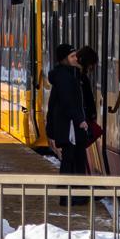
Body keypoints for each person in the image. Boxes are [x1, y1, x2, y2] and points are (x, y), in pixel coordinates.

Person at [44, 42, 96, 177]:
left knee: (73, 161)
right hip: (70, 127)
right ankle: (71, 195)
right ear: (64, 59)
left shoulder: (70, 75)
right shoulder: (65, 77)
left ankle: (72, 194)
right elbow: (68, 102)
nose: (76, 58)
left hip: (71, 127)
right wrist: (80, 120)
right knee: (72, 161)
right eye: (72, 56)